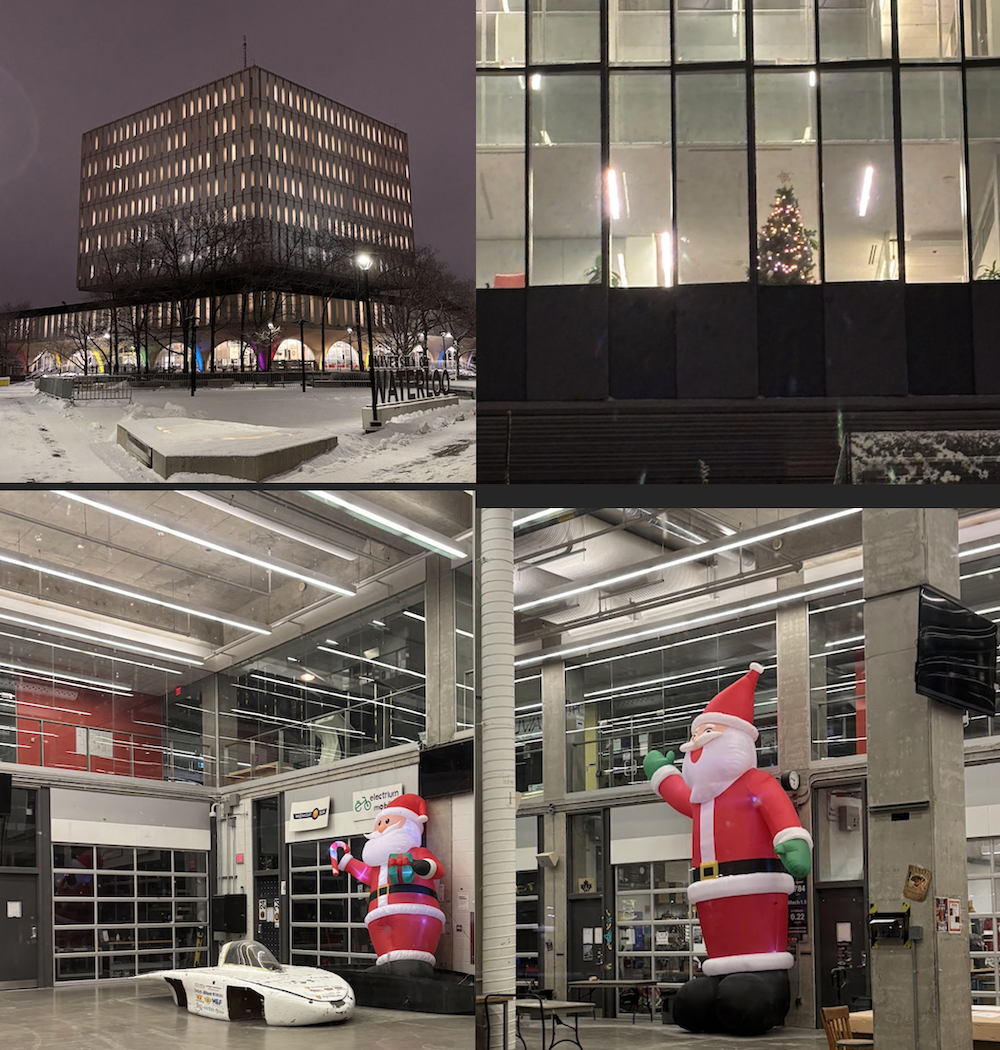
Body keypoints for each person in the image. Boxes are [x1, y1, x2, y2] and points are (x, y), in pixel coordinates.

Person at [643, 663, 812, 1036]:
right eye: (695, 734)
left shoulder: (755, 782)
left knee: (749, 971)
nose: (696, 743)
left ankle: (766, 987)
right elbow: (678, 793)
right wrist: (660, 772)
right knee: (711, 969)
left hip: (756, 889)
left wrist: (794, 840)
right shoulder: (702, 798)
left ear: (734, 739)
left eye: (707, 733)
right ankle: (718, 980)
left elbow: (779, 807)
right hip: (710, 893)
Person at [329, 793, 445, 972]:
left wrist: (422, 866)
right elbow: (366, 874)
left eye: (387, 822)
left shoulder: (416, 853)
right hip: (378, 918)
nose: (382, 828)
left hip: (411, 914)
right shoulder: (377, 866)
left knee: (409, 963)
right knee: (386, 963)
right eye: (379, 823)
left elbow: (437, 870)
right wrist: (346, 861)